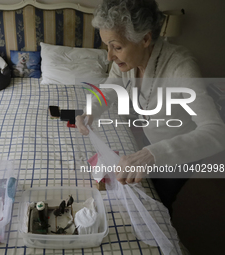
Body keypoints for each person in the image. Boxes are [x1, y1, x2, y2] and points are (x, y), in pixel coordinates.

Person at [76, 0, 225, 215]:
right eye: (107, 46)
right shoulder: (126, 63)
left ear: (145, 38)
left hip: (181, 149)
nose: (109, 56)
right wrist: (90, 110)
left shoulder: (180, 66)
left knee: (162, 200)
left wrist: (151, 155)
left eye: (117, 47)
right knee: (147, 187)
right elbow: (110, 88)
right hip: (152, 138)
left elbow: (217, 132)